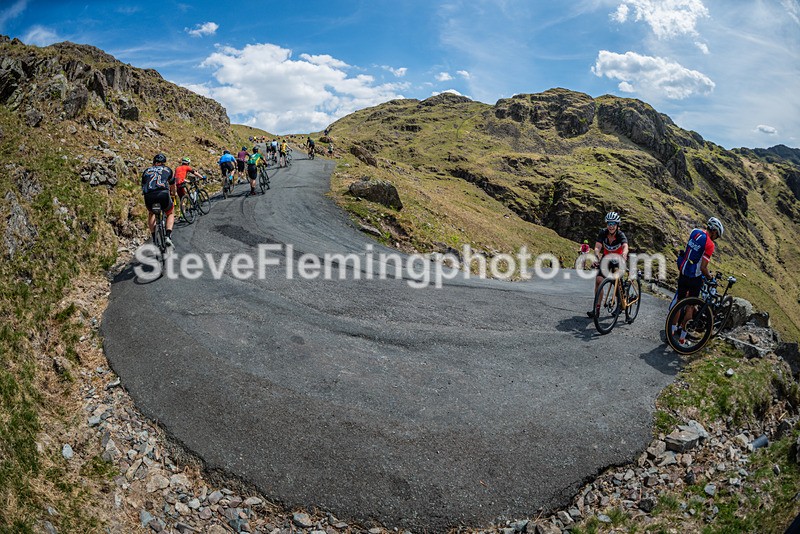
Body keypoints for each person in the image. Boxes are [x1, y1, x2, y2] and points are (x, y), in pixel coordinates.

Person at [668, 217, 724, 345]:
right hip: (694, 277)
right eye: (717, 235)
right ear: (714, 232)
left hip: (683, 271)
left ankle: (670, 331)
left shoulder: (694, 232)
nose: (716, 238)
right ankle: (682, 336)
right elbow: (703, 267)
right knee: (691, 306)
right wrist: (710, 278)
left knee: (679, 302)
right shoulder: (710, 244)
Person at [587, 212, 629, 318]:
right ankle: (596, 309)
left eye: (613, 224)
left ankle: (620, 305)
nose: (611, 226)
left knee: (617, 284)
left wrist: (624, 254)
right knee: (598, 281)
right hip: (606, 260)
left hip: (618, 260)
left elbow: (625, 246)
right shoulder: (603, 233)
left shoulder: (620, 235)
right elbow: (598, 246)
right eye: (609, 223)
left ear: (617, 225)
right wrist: (596, 255)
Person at [141, 153, 176, 247]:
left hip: (149, 196)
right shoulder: (167, 169)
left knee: (151, 213)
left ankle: (153, 237)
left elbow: (143, 185)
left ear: (154, 163)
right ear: (164, 163)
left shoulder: (146, 171)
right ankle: (168, 236)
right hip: (163, 194)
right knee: (170, 213)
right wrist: (173, 193)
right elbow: (172, 184)